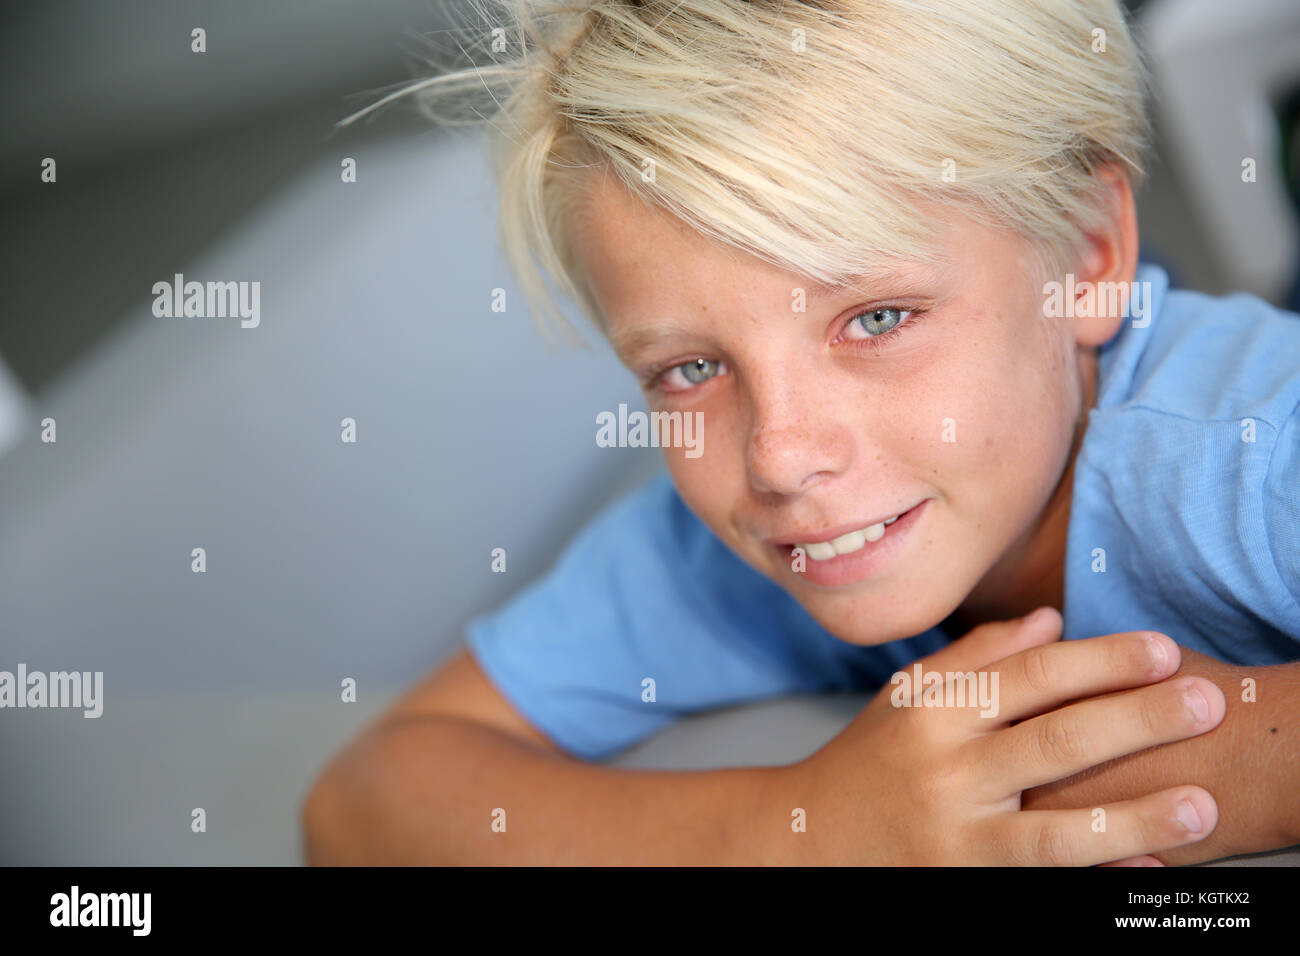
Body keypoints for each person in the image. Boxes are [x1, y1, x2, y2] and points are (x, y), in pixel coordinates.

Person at [303, 0, 1300, 865]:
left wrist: (1214, 753)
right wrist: (808, 825)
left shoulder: (1254, 447)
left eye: (875, 318)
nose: (779, 454)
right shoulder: (722, 559)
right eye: (691, 368)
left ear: (1085, 256)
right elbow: (362, 803)